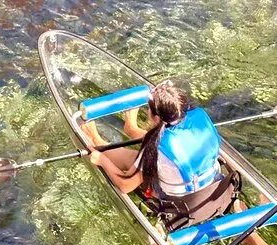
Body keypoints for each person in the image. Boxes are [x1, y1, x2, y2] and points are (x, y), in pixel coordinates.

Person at [80, 80, 239, 231]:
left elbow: (125, 185)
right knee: (156, 154)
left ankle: (97, 140)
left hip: (184, 205)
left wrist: (102, 161)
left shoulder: (155, 149)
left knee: (133, 159)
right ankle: (132, 129)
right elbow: (175, 140)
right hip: (215, 187)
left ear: (155, 118)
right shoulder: (199, 118)